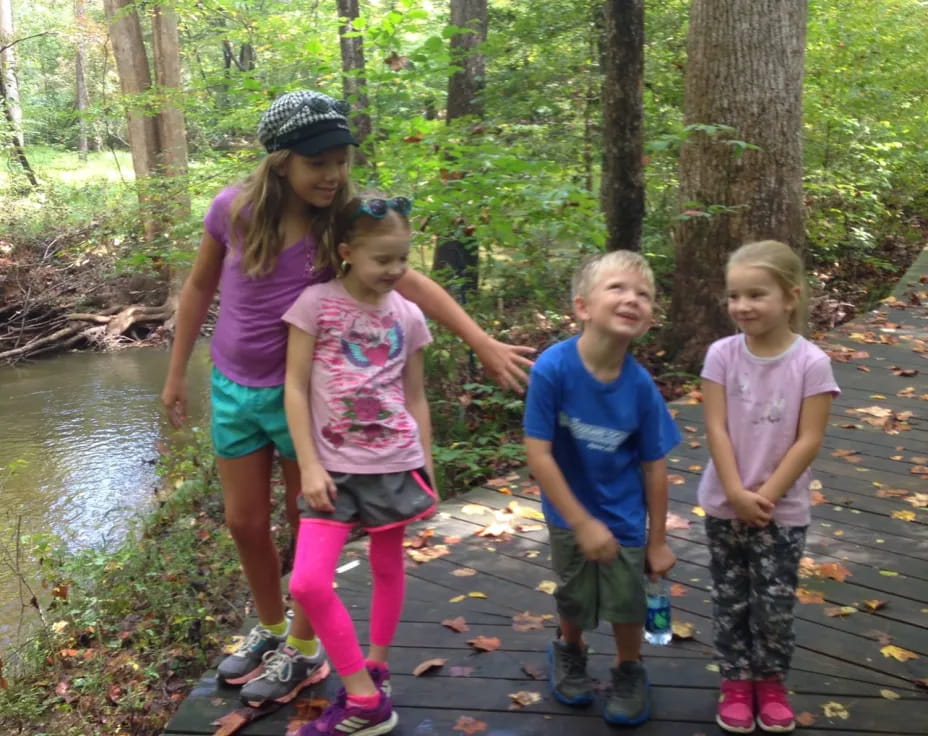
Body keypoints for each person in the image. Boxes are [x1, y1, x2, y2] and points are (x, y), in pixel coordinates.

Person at [159, 90, 533, 705]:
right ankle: (273, 629)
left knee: (306, 520)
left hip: (304, 398)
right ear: (282, 161)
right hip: (233, 386)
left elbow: (406, 278)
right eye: (318, 163)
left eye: (340, 160)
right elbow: (200, 287)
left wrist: (481, 339)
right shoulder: (234, 210)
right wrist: (177, 375)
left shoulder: (341, 222)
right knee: (244, 522)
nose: (333, 175)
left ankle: (304, 653)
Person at [283, 192, 433, 735]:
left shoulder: (410, 316)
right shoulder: (315, 305)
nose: (395, 270)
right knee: (307, 584)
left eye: (403, 258)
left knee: (388, 567)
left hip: (394, 461)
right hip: (332, 469)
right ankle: (365, 695)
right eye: (383, 259)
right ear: (347, 251)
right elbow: (295, 388)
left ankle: (373, 670)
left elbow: (415, 397)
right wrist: (309, 465)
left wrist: (427, 464)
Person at [523, 250, 680, 727]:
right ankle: (569, 650)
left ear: (650, 318)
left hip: (624, 514)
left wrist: (657, 541)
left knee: (627, 598)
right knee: (574, 593)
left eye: (643, 294)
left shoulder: (641, 388)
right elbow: (539, 455)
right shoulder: (553, 369)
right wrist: (581, 522)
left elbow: (655, 468)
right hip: (568, 513)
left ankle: (628, 668)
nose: (632, 299)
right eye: (618, 288)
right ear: (582, 306)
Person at [699, 240, 839, 734]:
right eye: (734, 296)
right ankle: (736, 681)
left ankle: (771, 681)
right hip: (724, 503)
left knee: (774, 605)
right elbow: (715, 428)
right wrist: (735, 491)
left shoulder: (811, 363)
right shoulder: (721, 355)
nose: (742, 306)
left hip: (781, 509)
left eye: (756, 294)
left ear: (791, 296)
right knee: (730, 598)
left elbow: (810, 438)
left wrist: (767, 496)